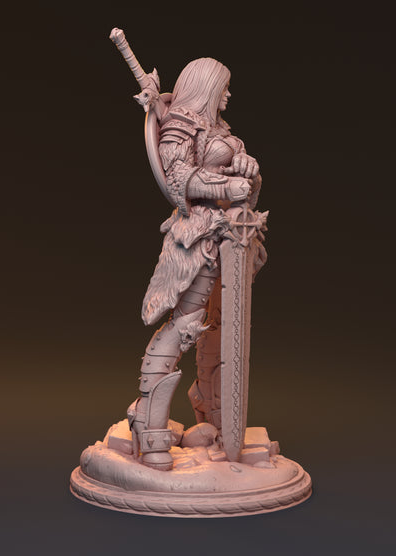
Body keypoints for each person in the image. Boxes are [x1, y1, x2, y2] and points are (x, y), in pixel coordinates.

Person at [127, 57, 266, 470]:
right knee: (185, 326)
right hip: (199, 236)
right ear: (208, 86)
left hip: (231, 237)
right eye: (224, 86)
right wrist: (228, 185)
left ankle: (212, 413)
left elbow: (243, 183)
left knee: (216, 326)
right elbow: (178, 180)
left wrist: (247, 169)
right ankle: (148, 424)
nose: (228, 94)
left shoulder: (218, 129)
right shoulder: (179, 125)